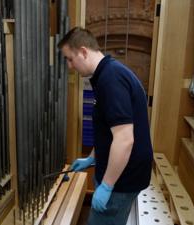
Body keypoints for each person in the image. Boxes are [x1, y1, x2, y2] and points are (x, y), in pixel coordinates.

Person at [58, 27, 153, 225]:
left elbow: (125, 140)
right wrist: (92, 158)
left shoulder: (111, 79)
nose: (69, 66)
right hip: (122, 175)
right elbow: (109, 132)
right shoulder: (106, 74)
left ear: (84, 52)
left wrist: (107, 186)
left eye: (69, 59)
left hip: (122, 181)